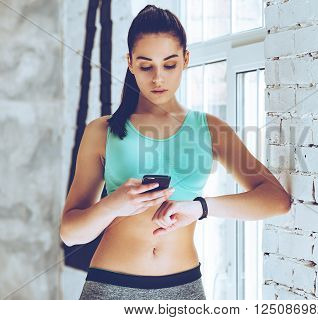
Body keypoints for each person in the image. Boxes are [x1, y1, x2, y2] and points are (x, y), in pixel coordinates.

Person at [59, 4, 291, 300]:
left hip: (184, 290)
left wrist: (200, 207)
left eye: (169, 64)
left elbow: (277, 201)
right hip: (109, 288)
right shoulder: (102, 131)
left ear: (186, 59)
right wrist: (115, 204)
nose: (158, 78)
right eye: (146, 66)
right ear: (130, 63)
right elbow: (70, 233)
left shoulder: (210, 129)